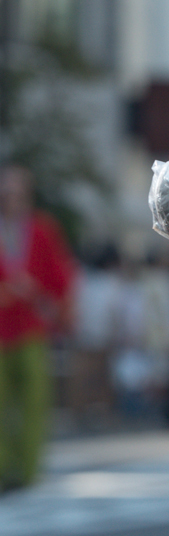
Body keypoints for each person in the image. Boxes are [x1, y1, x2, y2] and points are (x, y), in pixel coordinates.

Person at [0, 164, 75, 489]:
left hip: (31, 326)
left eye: (17, 192)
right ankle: (3, 467)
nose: (11, 198)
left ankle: (28, 470)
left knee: (33, 399)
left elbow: (61, 276)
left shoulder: (42, 229)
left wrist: (49, 302)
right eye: (6, 192)